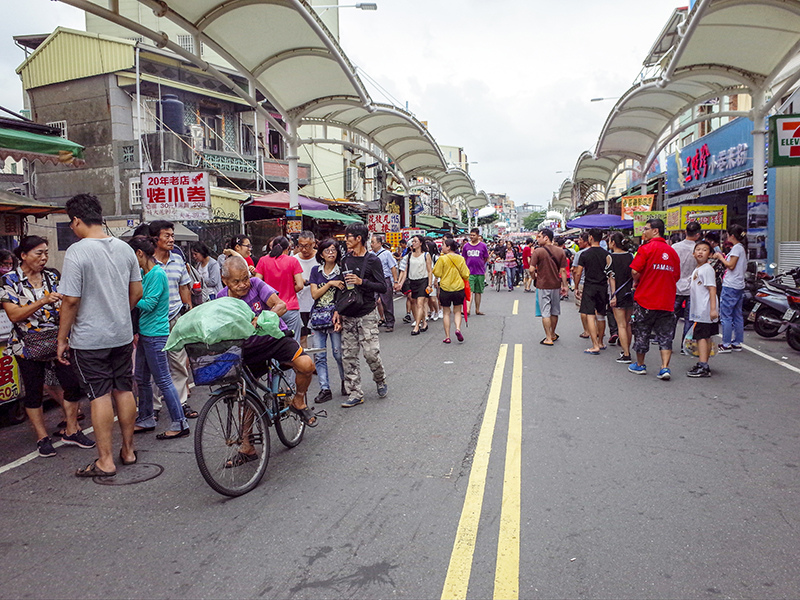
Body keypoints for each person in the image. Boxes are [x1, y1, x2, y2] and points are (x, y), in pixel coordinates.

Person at [57, 193, 143, 477]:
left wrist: (62, 338)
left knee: (99, 395)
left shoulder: (78, 252)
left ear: (77, 220)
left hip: (90, 339)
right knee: (124, 389)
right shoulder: (125, 249)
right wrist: (119, 312)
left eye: (71, 223)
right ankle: (128, 450)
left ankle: (105, 460)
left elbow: (70, 301)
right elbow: (137, 292)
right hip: (121, 333)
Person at [0, 236, 94, 457]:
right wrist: (42, 301)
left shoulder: (52, 277)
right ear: (23, 255)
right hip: (27, 345)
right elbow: (14, 315)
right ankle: (42, 438)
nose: (43, 258)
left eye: (45, 253)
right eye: (38, 253)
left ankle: (71, 430)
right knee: (33, 392)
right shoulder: (9, 281)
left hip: (58, 340)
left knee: (72, 385)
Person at [217, 256, 318, 427]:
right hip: (247, 349)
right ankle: (246, 443)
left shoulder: (256, 284)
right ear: (224, 280)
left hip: (274, 339)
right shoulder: (221, 299)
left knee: (306, 365)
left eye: (245, 279)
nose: (243, 284)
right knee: (246, 394)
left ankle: (299, 400)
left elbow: (280, 305)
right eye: (236, 281)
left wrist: (260, 319)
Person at [129, 236, 189, 439]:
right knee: (142, 379)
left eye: (132, 256)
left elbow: (149, 304)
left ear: (139, 253)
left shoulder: (156, 274)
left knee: (163, 379)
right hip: (146, 333)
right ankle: (145, 417)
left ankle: (180, 423)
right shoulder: (145, 274)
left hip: (156, 334)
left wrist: (131, 298)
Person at [334, 222, 388, 408]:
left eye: (348, 236)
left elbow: (383, 286)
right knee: (348, 356)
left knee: (371, 353)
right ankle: (355, 392)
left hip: (367, 312)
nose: (346, 240)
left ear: (358, 239)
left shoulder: (373, 260)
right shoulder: (345, 260)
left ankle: (380, 379)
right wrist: (337, 310)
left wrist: (361, 281)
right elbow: (341, 287)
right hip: (349, 313)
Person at [149, 220, 196, 419]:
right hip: (153, 321)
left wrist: (189, 314)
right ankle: (154, 406)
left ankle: (180, 403)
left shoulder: (178, 260)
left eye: (172, 235)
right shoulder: (147, 261)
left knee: (179, 363)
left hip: (175, 317)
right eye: (166, 236)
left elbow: (185, 287)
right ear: (155, 239)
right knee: (156, 366)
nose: (171, 239)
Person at [627, 218, 680, 380]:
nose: (644, 232)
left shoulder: (646, 249)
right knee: (665, 335)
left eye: (646, 229)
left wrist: (638, 281)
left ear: (655, 231)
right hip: (667, 301)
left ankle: (640, 365)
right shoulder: (672, 252)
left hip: (646, 299)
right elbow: (676, 276)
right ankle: (665, 367)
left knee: (642, 331)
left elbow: (635, 271)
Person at [309, 239, 346, 403]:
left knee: (338, 353)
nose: (331, 253)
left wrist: (341, 313)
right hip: (318, 318)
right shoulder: (315, 271)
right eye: (327, 250)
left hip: (335, 317)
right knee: (320, 355)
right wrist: (330, 283)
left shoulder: (342, 271)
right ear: (321, 254)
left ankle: (346, 382)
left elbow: (345, 295)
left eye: (333, 250)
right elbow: (314, 295)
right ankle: (325, 388)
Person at [255, 236, 304, 341]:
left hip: (271, 309)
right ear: (287, 249)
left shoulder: (263, 261)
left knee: (273, 342)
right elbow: (300, 285)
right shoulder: (293, 261)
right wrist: (290, 289)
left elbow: (257, 283)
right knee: (293, 342)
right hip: (290, 307)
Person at [572, 229, 610, 354]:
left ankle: (594, 345)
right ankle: (601, 342)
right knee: (601, 315)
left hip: (589, 287)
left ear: (591, 238)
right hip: (603, 287)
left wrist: (576, 287)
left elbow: (578, 272)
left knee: (590, 315)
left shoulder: (585, 254)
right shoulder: (606, 254)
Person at [529, 228, 569, 346]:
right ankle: (553, 333)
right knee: (554, 311)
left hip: (543, 285)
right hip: (556, 285)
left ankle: (548, 338)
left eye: (539, 236)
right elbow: (563, 271)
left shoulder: (538, 251)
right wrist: (565, 286)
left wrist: (535, 277)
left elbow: (531, 269)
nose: (538, 239)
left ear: (546, 237)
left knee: (545, 311)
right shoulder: (560, 251)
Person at [687, 239, 719, 377]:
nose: (700, 252)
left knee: (701, 336)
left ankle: (703, 365)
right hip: (700, 309)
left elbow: (712, 289)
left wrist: (713, 309)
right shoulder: (699, 268)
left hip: (704, 310)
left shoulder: (707, 269)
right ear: (694, 253)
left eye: (704, 250)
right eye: (698, 249)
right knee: (704, 336)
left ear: (710, 254)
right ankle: (703, 363)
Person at [715, 224, 747, 353]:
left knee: (726, 315)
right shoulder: (741, 248)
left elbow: (731, 265)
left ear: (732, 236)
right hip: (739, 285)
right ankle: (737, 342)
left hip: (731, 285)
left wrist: (720, 257)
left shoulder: (736, 249)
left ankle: (726, 343)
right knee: (737, 315)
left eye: (728, 234)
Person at [671, 221, 703, 347]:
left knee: (672, 317)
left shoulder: (675, 247)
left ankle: (667, 342)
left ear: (685, 232)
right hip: (692, 287)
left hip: (676, 286)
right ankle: (686, 345)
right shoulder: (699, 250)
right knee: (690, 318)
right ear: (698, 234)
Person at [432, 239, 470, 343]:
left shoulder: (442, 259)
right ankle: (457, 329)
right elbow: (466, 274)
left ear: (448, 247)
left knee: (446, 312)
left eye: (443, 245)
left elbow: (437, 273)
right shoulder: (461, 258)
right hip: (458, 288)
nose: (442, 247)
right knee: (457, 311)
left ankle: (447, 336)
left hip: (445, 288)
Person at [394, 235, 432, 335]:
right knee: (414, 303)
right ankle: (424, 322)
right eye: (412, 241)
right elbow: (404, 271)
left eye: (415, 241)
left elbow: (429, 271)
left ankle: (416, 326)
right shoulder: (409, 256)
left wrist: (430, 284)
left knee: (420, 303)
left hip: (423, 281)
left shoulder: (426, 255)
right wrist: (400, 283)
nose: (413, 243)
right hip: (412, 281)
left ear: (421, 243)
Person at [607, 232, 635, 364]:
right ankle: (626, 349)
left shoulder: (610, 257)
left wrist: (613, 295)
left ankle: (626, 354)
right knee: (627, 323)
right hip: (629, 292)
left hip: (618, 293)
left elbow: (611, 278)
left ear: (613, 242)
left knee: (621, 325)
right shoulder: (630, 256)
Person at [294, 231, 318, 347]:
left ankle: (317, 364)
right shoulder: (293, 260)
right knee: (302, 337)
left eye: (306, 246)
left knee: (317, 339)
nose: (303, 249)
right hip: (299, 305)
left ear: (313, 244)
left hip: (317, 304)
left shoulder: (320, 259)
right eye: (300, 246)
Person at [370, 234, 398, 332]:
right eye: (371, 242)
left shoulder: (387, 253)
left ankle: (390, 322)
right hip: (373, 280)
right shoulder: (370, 255)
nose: (371, 244)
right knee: (372, 301)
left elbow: (393, 267)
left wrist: (395, 281)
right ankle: (374, 322)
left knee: (387, 302)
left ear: (379, 243)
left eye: (373, 242)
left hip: (385, 279)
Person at [461, 228, 489, 315]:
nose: (471, 237)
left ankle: (477, 309)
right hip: (469, 273)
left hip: (480, 272)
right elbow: (463, 258)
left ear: (478, 235)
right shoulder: (466, 246)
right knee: (470, 291)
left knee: (478, 292)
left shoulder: (483, 246)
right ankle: (468, 309)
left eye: (473, 235)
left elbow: (486, 257)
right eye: (471, 235)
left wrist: (482, 264)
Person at [572, 233, 591, 338]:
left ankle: (587, 331)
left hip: (582, 283)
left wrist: (575, 286)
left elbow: (576, 271)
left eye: (580, 240)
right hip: (596, 284)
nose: (578, 242)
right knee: (595, 309)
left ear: (586, 241)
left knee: (583, 308)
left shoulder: (580, 254)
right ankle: (597, 330)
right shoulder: (602, 252)